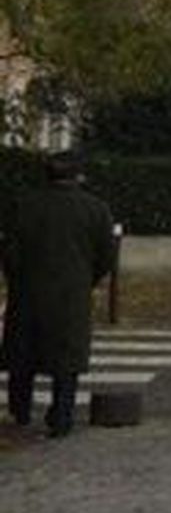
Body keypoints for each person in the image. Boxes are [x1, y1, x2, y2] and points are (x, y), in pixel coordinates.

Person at [1, 150, 116, 438]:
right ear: (79, 176)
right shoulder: (95, 209)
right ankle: (61, 417)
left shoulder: (25, 205)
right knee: (66, 359)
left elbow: (9, 249)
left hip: (28, 290)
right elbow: (107, 255)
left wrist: (17, 276)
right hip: (71, 293)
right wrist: (87, 278)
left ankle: (20, 409)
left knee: (23, 354)